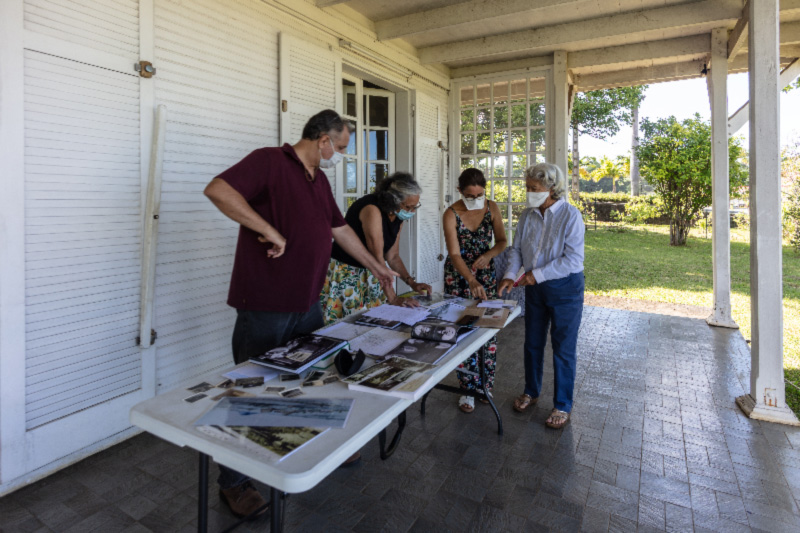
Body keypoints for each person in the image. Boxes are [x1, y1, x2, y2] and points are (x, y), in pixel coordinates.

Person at [203, 109, 397, 518]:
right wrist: (268, 229)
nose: (340, 155)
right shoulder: (270, 160)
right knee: (252, 391)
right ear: (322, 139)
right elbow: (219, 189)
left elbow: (339, 229)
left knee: (310, 380)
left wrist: (377, 265)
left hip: (308, 303)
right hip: (266, 305)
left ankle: (301, 448)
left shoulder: (319, 179)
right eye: (340, 147)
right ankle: (233, 484)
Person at [498, 163, 585, 429]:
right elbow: (516, 250)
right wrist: (510, 274)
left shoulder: (571, 216)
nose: (529, 193)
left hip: (565, 289)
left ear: (551, 188)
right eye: (527, 188)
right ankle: (531, 391)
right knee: (532, 343)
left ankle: (562, 404)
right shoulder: (527, 216)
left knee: (563, 348)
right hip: (534, 287)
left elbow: (573, 259)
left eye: (534, 189)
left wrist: (537, 275)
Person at [321, 173, 432, 324]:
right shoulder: (372, 209)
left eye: (415, 207)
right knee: (347, 323)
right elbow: (377, 258)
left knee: (374, 321)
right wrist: (392, 297)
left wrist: (412, 283)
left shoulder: (398, 214)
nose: (411, 212)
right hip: (347, 273)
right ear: (393, 200)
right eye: (408, 207)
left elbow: (392, 256)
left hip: (372, 272)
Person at [442, 168, 507, 413]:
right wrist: (470, 278)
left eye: (480, 194)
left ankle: (484, 385)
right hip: (459, 277)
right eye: (471, 195)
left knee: (487, 329)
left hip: (486, 276)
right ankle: (467, 389)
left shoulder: (491, 208)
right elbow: (455, 254)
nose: (476, 199)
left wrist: (488, 255)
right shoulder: (450, 213)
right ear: (460, 192)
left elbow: (501, 241)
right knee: (463, 329)